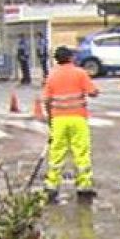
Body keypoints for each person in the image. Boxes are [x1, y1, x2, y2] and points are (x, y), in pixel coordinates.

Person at [40, 44, 100, 202]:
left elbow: (46, 100)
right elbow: (93, 92)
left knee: (57, 153)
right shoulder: (80, 73)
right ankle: (84, 186)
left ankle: (52, 186)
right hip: (78, 118)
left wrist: (50, 118)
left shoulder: (51, 76)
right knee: (81, 152)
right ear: (71, 58)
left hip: (59, 119)